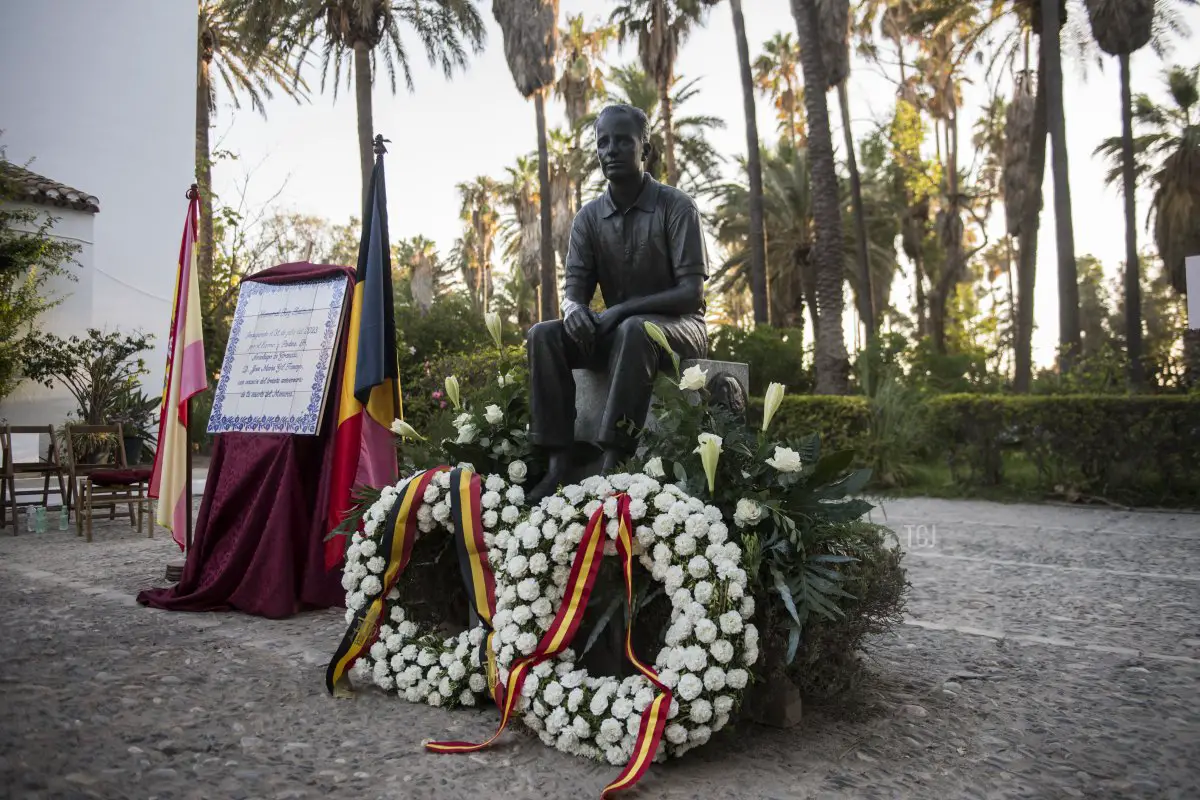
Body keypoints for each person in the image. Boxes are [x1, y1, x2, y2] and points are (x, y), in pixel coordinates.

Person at [526, 103, 709, 501]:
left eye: (622, 141)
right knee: (544, 335)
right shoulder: (589, 218)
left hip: (682, 328)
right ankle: (558, 464)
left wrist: (622, 309)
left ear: (645, 148)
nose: (610, 149)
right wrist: (574, 313)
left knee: (634, 328)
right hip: (621, 332)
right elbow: (573, 291)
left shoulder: (676, 206)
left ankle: (613, 461)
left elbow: (692, 292)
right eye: (602, 142)